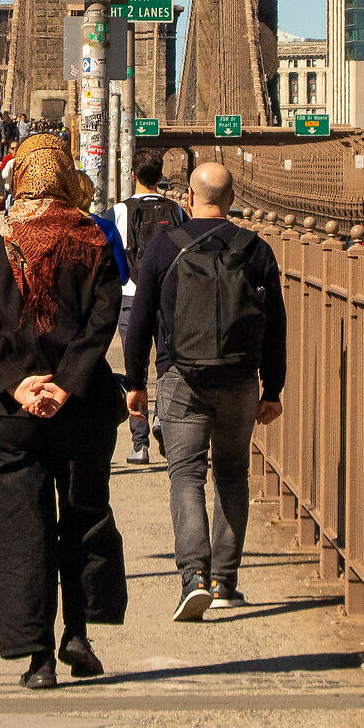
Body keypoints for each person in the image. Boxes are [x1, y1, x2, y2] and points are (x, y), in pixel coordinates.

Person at [0, 133, 126, 690]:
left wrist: (17, 384)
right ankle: (77, 632)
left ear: (19, 177)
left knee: (16, 531)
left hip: (10, 417)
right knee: (83, 518)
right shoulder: (92, 240)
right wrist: (67, 385)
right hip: (81, 411)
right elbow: (103, 323)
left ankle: (37, 658)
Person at [121, 162, 287, 620]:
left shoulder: (163, 247)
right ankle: (225, 582)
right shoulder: (257, 250)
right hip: (239, 380)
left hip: (180, 379)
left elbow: (138, 323)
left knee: (187, 476)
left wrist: (135, 384)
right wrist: (272, 388)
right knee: (232, 476)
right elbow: (276, 327)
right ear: (232, 200)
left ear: (189, 199)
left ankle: (194, 578)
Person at [109, 149, 188, 466]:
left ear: (133, 176)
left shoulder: (118, 211)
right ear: (160, 177)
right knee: (168, 367)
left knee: (134, 372)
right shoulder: (177, 210)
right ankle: (163, 422)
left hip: (131, 297)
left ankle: (139, 444)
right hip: (170, 299)